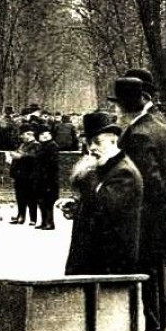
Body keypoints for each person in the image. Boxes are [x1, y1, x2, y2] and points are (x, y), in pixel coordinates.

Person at [113, 69, 166, 331]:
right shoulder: (160, 125)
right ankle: (159, 315)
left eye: (118, 106)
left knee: (144, 263)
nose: (116, 111)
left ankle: (152, 320)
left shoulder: (138, 134)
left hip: (144, 211)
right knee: (156, 263)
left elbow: (148, 178)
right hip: (159, 209)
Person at [63, 112, 143, 276]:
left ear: (113, 140)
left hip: (110, 263)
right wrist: (77, 206)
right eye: (89, 143)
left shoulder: (123, 173)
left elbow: (104, 210)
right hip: (94, 261)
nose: (92, 148)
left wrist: (87, 172)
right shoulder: (105, 168)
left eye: (97, 142)